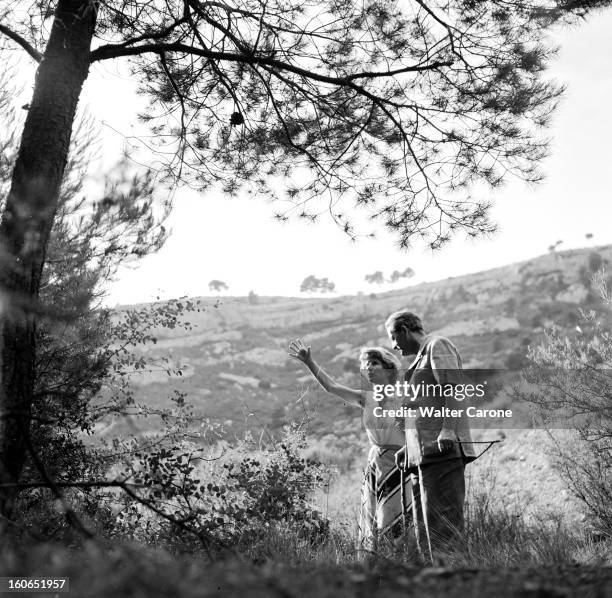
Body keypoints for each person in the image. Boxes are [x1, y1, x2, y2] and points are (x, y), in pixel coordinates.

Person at [288, 338, 409, 555]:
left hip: (401, 462)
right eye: (366, 364)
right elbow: (331, 387)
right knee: (373, 517)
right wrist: (309, 362)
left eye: (374, 363)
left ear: (388, 368)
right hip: (377, 463)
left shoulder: (404, 395)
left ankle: (399, 562)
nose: (368, 368)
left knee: (396, 517)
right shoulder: (366, 397)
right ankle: (376, 563)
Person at [385, 310, 477, 561]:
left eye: (394, 337)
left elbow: (455, 388)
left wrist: (448, 429)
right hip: (423, 457)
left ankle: (458, 583)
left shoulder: (438, 345)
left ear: (404, 330)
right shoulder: (418, 360)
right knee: (427, 532)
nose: (394, 345)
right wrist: (409, 447)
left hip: (442, 451)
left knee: (445, 530)